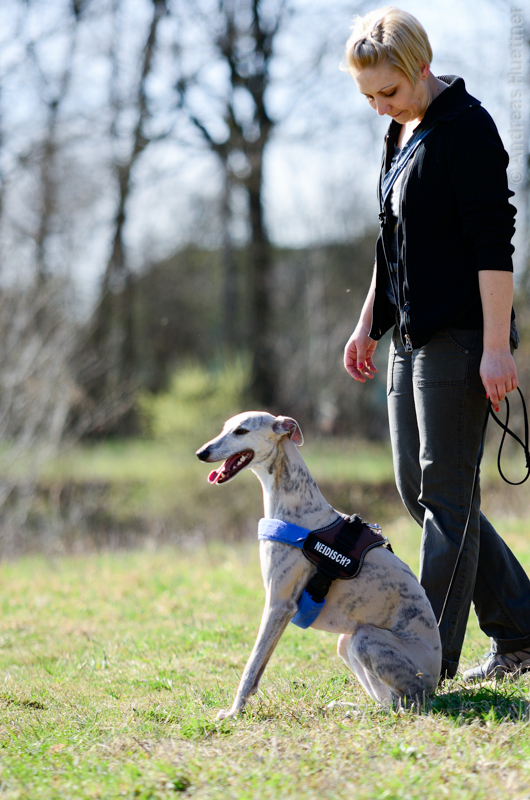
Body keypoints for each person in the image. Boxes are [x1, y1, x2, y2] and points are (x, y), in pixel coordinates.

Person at [342, 6, 530, 682]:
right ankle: (523, 627)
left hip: (463, 337)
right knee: (420, 491)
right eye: (368, 96)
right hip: (409, 338)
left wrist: (496, 346)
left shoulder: (468, 129)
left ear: (421, 66)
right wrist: (368, 323)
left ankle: (427, 663)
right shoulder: (399, 131)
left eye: (389, 91)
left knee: (448, 501)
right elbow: (388, 243)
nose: (380, 106)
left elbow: (492, 245)